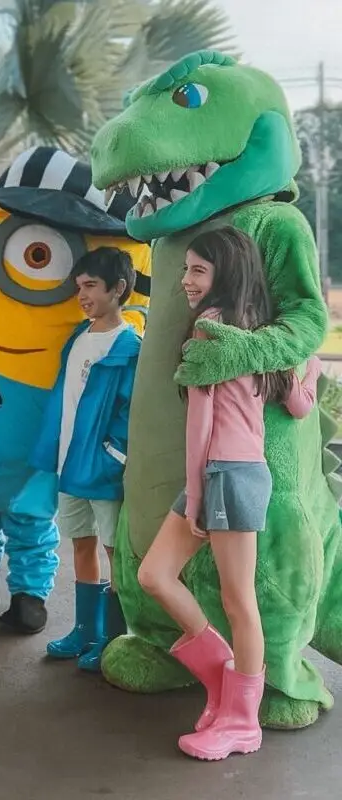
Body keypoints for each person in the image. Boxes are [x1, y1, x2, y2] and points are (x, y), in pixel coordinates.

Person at [137, 226, 322, 761]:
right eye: (186, 269)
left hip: (227, 475)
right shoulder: (263, 333)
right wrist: (310, 371)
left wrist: (195, 497)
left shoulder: (212, 329)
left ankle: (242, 722)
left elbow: (200, 425)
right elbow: (300, 406)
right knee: (155, 575)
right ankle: (224, 680)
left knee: (239, 602)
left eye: (198, 269)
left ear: (226, 273)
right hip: (228, 475)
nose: (186, 280)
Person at [31, 247, 141, 671]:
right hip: (70, 465)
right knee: (81, 544)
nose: (82, 295)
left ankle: (115, 638)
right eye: (79, 286)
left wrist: (113, 455)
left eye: (91, 286)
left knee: (115, 551)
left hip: (104, 469)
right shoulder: (78, 338)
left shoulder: (130, 347)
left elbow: (132, 413)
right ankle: (85, 631)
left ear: (118, 288)